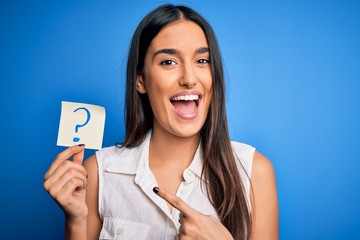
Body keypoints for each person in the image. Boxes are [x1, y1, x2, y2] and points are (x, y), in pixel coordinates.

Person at [44, 4, 278, 240]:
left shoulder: (253, 172)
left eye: (202, 61)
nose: (189, 79)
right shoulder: (97, 172)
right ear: (141, 80)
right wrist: (76, 221)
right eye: (168, 62)